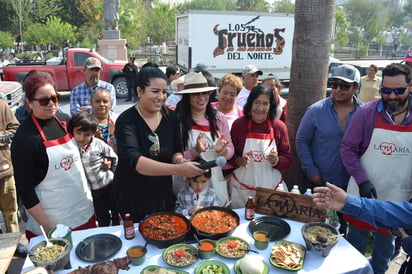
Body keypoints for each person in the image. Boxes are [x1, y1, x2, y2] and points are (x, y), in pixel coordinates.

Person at [340, 63, 412, 274]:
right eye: (386, 91)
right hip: (364, 196)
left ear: (410, 87)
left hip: (398, 200)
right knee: (354, 250)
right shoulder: (367, 113)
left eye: (399, 91)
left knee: (383, 254)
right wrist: (362, 179)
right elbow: (347, 148)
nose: (391, 96)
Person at [110, 67, 204, 223]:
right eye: (155, 91)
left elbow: (176, 151)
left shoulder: (171, 117)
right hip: (132, 195)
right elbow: (135, 161)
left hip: (161, 194)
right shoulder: (126, 121)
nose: (161, 97)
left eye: (164, 92)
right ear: (139, 91)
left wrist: (181, 161)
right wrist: (178, 169)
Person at [11, 70, 95, 240]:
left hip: (84, 212)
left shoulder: (66, 121)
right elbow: (25, 190)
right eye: (43, 100)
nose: (51, 104)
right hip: (54, 221)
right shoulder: (24, 138)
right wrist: (50, 227)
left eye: (54, 98)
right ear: (29, 102)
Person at [296, 64, 362, 234]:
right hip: (321, 181)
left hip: (352, 183)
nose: (338, 90)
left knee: (342, 228)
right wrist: (311, 170)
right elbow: (302, 140)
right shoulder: (316, 111)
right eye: (334, 84)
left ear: (356, 87)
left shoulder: (365, 113)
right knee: (315, 226)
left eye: (345, 86)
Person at [175, 72, 234, 206]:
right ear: (187, 96)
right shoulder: (178, 121)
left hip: (214, 179)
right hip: (188, 182)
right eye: (196, 94)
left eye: (204, 93)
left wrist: (222, 151)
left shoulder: (219, 119)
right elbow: (175, 156)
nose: (201, 98)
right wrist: (195, 151)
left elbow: (230, 151)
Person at [229, 85, 292, 209]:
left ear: (270, 106)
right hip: (242, 188)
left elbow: (288, 159)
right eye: (256, 103)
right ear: (250, 103)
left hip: (271, 189)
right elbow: (230, 155)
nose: (260, 108)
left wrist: (277, 160)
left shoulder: (279, 127)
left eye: (265, 104)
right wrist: (239, 160)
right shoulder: (239, 125)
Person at [68, 111, 119, 227]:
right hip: (93, 191)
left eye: (86, 134)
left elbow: (114, 158)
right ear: (72, 131)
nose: (82, 138)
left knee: (116, 210)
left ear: (93, 133)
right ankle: (104, 233)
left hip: (109, 184)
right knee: (102, 216)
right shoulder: (72, 148)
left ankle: (117, 229)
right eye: (78, 133)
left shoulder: (99, 144)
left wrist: (110, 163)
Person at [0, 99, 19, 233]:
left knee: (11, 212)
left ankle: (15, 242)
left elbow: (15, 129)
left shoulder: (1, 105)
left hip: (4, 170)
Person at [90, 87, 118, 152]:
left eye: (105, 101)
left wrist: (113, 135)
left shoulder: (117, 120)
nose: (101, 104)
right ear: (91, 103)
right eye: (97, 101)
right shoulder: (85, 122)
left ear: (111, 103)